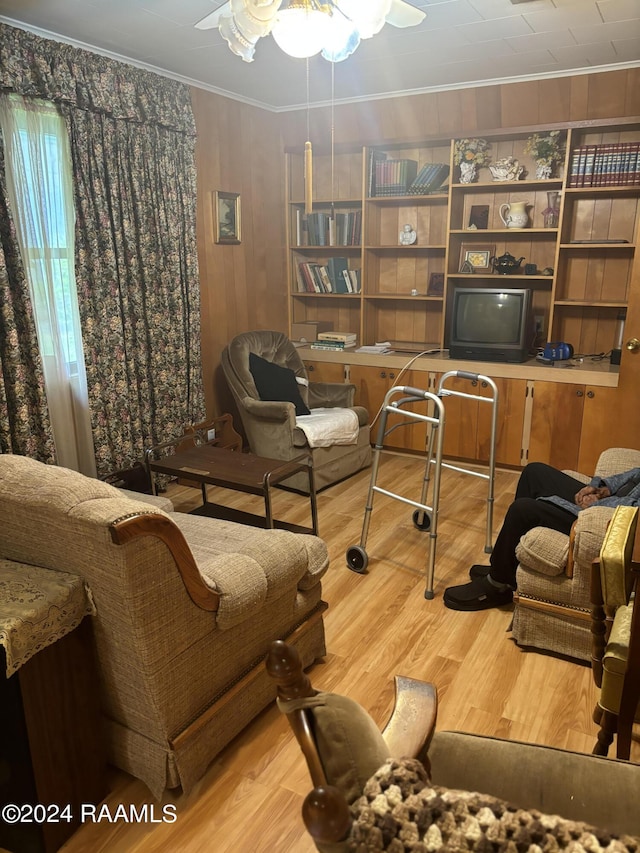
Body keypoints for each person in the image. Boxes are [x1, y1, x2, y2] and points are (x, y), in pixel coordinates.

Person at [443, 461, 640, 612]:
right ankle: (507, 568)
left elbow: (634, 512)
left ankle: (498, 583)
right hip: (609, 501)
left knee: (523, 510)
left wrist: (596, 505)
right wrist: (600, 489)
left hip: (607, 520)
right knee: (533, 472)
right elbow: (634, 475)